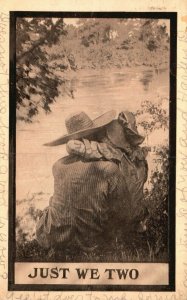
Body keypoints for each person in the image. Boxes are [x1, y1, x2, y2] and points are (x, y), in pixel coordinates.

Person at [36, 110, 149, 252]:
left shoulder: (58, 165)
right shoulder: (109, 169)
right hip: (93, 244)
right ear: (96, 134)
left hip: (56, 238)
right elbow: (125, 215)